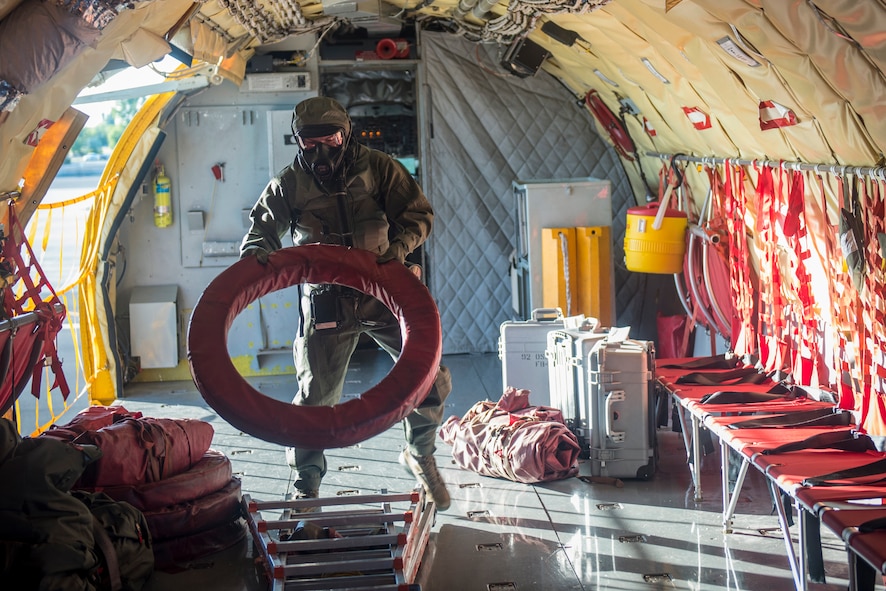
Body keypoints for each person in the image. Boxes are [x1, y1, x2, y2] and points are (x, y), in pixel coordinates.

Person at [239, 96, 452, 511]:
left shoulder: (378, 168)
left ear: (347, 134)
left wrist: (400, 247)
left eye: (331, 140)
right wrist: (256, 259)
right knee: (315, 400)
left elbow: (418, 215)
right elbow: (260, 232)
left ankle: (419, 454)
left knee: (430, 378)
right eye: (309, 143)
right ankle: (306, 489)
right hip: (326, 303)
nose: (321, 153)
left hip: (381, 292)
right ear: (298, 141)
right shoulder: (289, 183)